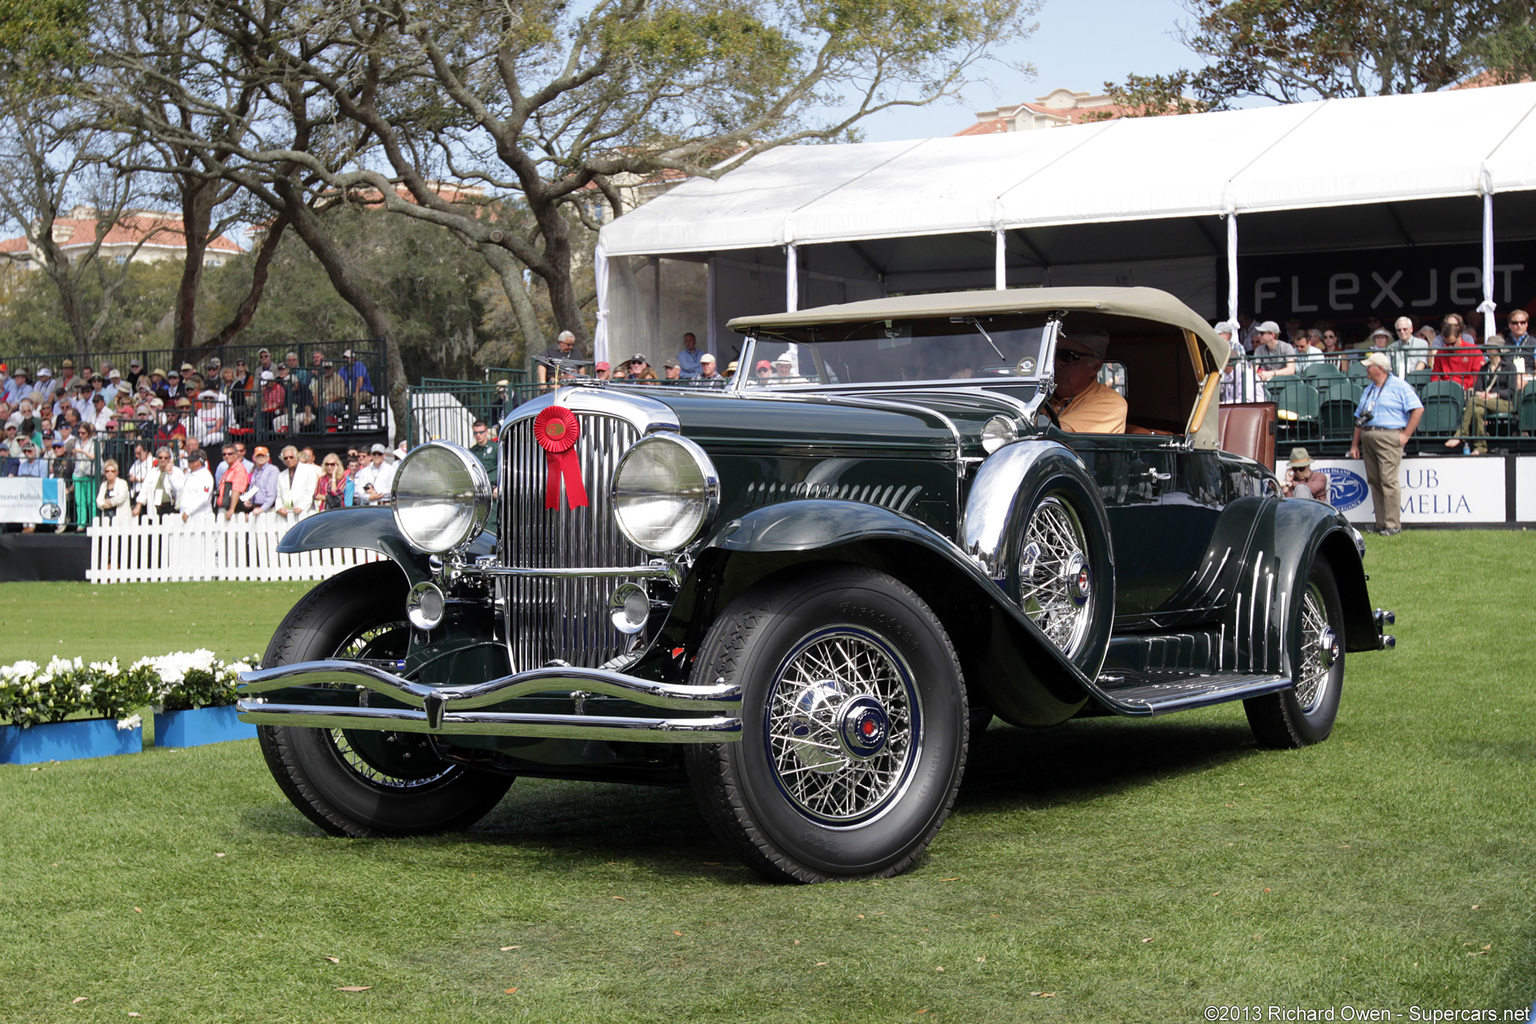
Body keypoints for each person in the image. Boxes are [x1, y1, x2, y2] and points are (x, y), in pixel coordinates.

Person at [1348, 351, 1423, 536]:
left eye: (1369, 366)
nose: (1366, 369)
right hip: (1369, 435)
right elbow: (1359, 418)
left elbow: (1418, 409)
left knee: (1389, 480)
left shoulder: (1399, 386)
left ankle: (1393, 524)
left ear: (1379, 369)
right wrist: (1354, 444)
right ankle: (1381, 523)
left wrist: (1405, 435)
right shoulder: (1369, 389)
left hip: (1389, 436)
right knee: (1374, 480)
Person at [1046, 329, 1127, 433]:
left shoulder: (1110, 402)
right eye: (1053, 355)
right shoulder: (1044, 396)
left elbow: (1054, 434)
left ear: (1095, 367)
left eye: (1069, 357)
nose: (1055, 365)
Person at [1444, 339, 1516, 455]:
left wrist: (1493, 395)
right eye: (1488, 348)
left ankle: (1460, 435)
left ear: (1499, 350)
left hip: (1505, 403)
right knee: (1477, 411)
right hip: (1484, 402)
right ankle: (1480, 447)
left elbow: (1511, 391)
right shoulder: (1485, 368)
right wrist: (1481, 394)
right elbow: (1478, 388)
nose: (1489, 350)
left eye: (1491, 348)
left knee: (1473, 401)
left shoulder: (1509, 366)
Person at [1432, 313, 1483, 390]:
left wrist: (1464, 386)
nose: (1449, 347)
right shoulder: (1441, 352)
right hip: (1445, 390)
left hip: (1466, 388)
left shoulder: (1474, 350)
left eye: (1452, 343)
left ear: (1459, 336)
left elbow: (1477, 375)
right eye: (1447, 344)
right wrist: (1443, 387)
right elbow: (1435, 376)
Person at [133, 447, 183, 518]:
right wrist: (138, 505)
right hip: (154, 508)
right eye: (160, 457)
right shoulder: (151, 472)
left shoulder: (177, 472)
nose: (163, 460)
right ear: (157, 458)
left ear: (169, 458)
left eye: (166, 458)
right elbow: (144, 490)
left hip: (170, 508)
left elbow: (180, 490)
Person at [274, 444, 321, 517]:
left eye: (291, 457)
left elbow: (309, 492)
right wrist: (279, 508)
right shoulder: (281, 475)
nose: (289, 459)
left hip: (305, 512)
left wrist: (301, 507)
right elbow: (278, 496)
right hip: (286, 513)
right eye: (286, 458)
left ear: (296, 457)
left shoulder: (309, 470)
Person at [71, 423, 99, 530]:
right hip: (78, 472)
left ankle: (93, 522)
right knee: (79, 500)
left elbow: (93, 457)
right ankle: (81, 524)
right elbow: (74, 459)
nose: (81, 435)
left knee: (90, 500)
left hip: (89, 473)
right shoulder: (77, 442)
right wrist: (75, 453)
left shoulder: (93, 443)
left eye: (83, 433)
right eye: (79, 433)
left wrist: (81, 451)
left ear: (88, 433)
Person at [239, 445, 280, 514]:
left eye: (263, 456)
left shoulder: (272, 470)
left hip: (268, 509)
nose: (260, 458)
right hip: (256, 508)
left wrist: (262, 509)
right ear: (254, 458)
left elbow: (271, 493)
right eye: (258, 456)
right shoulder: (255, 472)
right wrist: (249, 501)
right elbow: (252, 490)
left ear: (268, 458)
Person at [178, 450, 215, 521]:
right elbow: (179, 487)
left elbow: (203, 498)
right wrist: (170, 474)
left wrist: (188, 512)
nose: (189, 462)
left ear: (199, 462)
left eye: (192, 461)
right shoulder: (189, 474)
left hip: (201, 516)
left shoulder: (205, 476)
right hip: (188, 517)